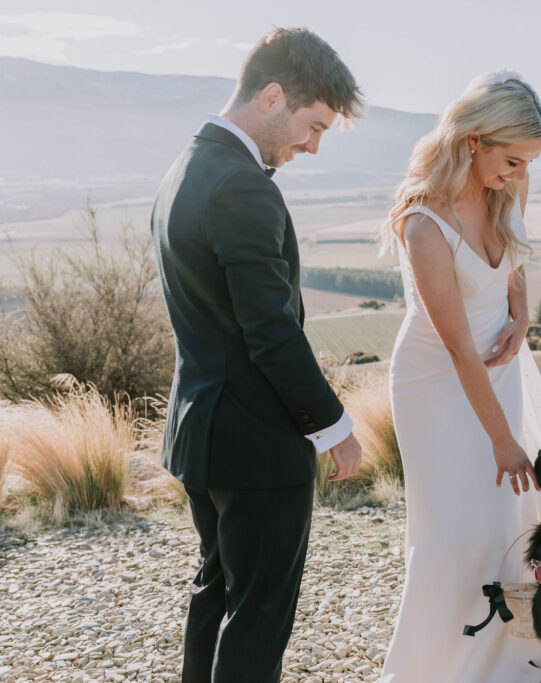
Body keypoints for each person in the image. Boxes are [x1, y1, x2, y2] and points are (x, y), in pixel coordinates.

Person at [150, 28, 364, 682]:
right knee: (258, 616)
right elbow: (270, 332)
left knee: (216, 594)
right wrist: (335, 426)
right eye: (313, 125)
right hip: (256, 444)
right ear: (272, 96)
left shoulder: (186, 165)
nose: (314, 144)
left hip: (202, 435)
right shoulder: (243, 186)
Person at [379, 70, 541, 682]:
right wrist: (503, 439)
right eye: (511, 159)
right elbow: (456, 350)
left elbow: (515, 256)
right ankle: (434, 666)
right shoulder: (424, 221)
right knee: (455, 529)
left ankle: (510, 658)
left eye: (528, 161)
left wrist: (521, 313)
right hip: (437, 386)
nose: (518, 173)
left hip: (500, 368)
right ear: (475, 140)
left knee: (508, 520)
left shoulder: (510, 185)